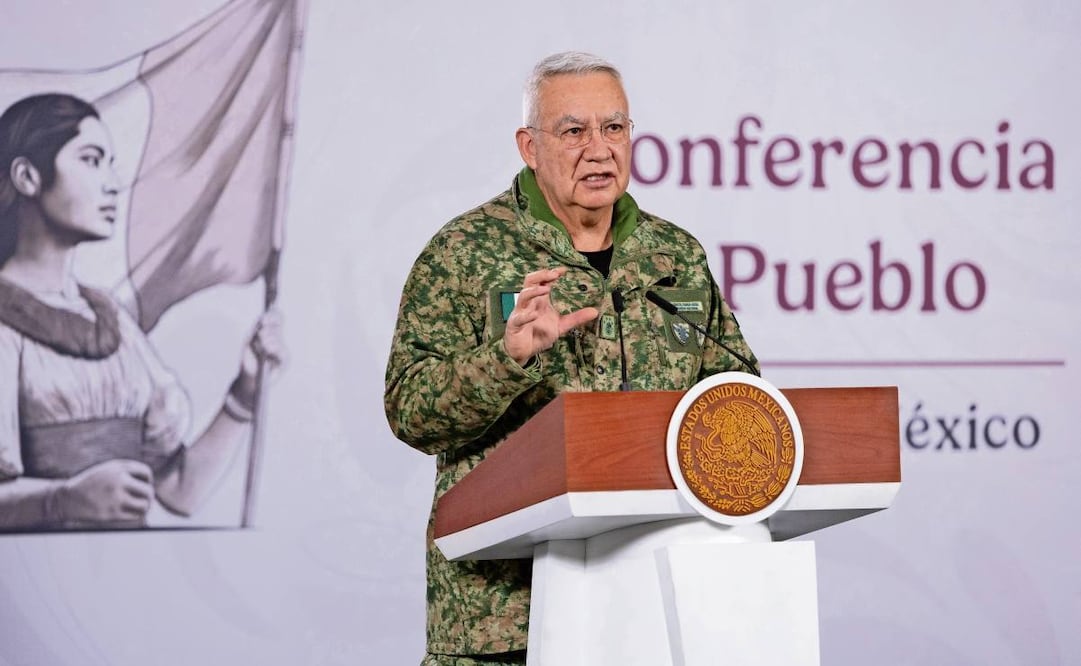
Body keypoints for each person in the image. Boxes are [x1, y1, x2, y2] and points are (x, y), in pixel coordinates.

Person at [384, 52, 758, 665]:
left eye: (614, 128)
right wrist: (504, 359)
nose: (599, 149)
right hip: (504, 624)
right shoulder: (464, 252)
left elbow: (736, 389)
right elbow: (408, 409)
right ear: (529, 147)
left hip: (652, 612)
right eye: (573, 131)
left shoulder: (674, 255)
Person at [0, 93, 282, 531]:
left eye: (110, 162)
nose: (112, 182)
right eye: (91, 160)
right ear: (27, 176)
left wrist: (244, 392)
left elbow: (179, 491)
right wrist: (63, 500)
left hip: (127, 578)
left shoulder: (107, 316)